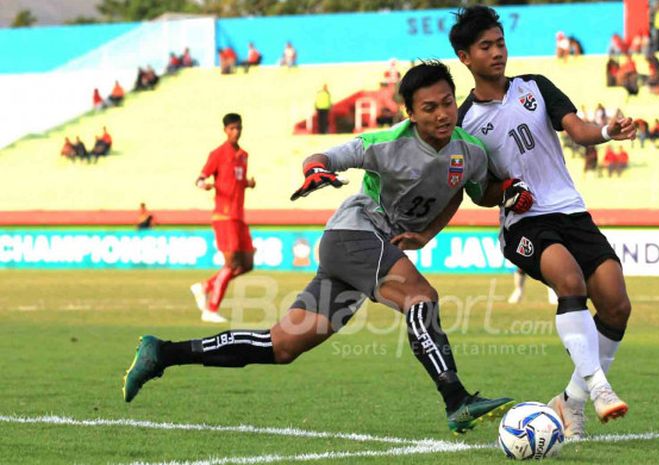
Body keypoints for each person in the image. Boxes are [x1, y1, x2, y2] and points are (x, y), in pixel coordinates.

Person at [122, 61, 534, 434]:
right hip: (353, 235)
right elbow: (325, 155)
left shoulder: (470, 151)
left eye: (447, 103)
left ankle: (163, 353)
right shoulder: (387, 144)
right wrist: (315, 170)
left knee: (282, 345)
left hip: (362, 248)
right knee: (421, 297)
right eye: (429, 108)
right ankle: (456, 399)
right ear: (410, 113)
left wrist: (491, 199)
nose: (442, 114)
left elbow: (468, 191)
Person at [449, 5, 636, 440]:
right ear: (465, 57)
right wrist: (508, 191)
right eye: (485, 46)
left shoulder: (535, 86)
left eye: (500, 43)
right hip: (523, 223)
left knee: (616, 303)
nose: (497, 52)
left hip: (570, 210)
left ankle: (569, 401)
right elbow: (480, 192)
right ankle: (598, 387)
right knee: (570, 282)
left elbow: (576, 128)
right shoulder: (464, 124)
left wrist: (608, 132)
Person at [189, 113, 256, 323]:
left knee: (246, 264)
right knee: (231, 262)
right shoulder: (218, 154)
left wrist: (247, 183)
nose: (236, 132)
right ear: (225, 130)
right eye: (232, 128)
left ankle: (205, 287)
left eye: (239, 128)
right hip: (224, 215)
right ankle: (211, 309)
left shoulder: (244, 155)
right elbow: (199, 178)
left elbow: (235, 180)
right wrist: (205, 185)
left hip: (239, 216)